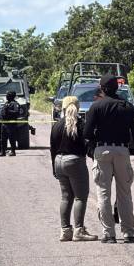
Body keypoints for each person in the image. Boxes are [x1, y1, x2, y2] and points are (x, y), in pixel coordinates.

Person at [83, 74, 134, 244]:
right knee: (124, 193)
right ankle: (128, 233)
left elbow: (87, 133)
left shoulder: (96, 106)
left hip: (102, 150)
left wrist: (96, 140)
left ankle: (109, 234)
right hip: (122, 151)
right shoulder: (128, 106)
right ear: (118, 88)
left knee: (103, 193)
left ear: (102, 88)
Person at [50, 96, 98, 242]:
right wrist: (94, 156)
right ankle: (79, 230)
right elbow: (87, 145)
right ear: (78, 108)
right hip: (75, 161)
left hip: (59, 161)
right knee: (80, 197)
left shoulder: (57, 125)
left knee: (66, 197)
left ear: (63, 108)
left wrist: (54, 168)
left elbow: (52, 148)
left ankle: (65, 231)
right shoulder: (81, 124)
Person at [0, 90, 21, 156]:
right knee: (3, 139)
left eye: (8, 94)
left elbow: (17, 113)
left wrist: (8, 111)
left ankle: (13, 151)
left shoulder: (15, 104)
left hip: (11, 125)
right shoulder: (6, 103)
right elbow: (2, 112)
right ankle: (3, 152)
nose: (6, 96)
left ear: (11, 96)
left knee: (12, 138)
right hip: (4, 124)